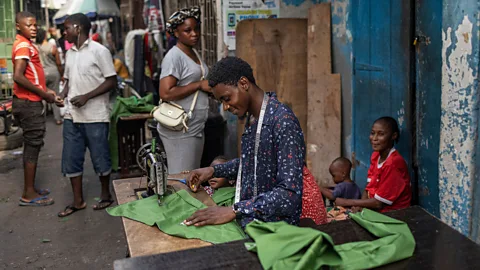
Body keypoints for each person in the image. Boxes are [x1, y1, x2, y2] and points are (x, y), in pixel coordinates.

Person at [185, 57, 306, 228]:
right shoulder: (253, 119)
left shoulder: (282, 122)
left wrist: (235, 210)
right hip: (252, 219)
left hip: (276, 229)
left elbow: (289, 195)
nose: (225, 107)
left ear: (243, 83)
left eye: (226, 98)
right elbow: (254, 163)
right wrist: (214, 170)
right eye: (221, 101)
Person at [57, 13, 117, 217]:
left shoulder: (100, 51)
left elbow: (111, 81)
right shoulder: (70, 53)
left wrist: (87, 97)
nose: (64, 32)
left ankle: (106, 195)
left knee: (100, 157)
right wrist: (62, 95)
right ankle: (77, 201)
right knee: (71, 158)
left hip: (95, 115)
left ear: (78, 27)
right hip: (71, 115)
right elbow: (67, 80)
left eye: (66, 28)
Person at [12, 11, 60, 206]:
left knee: (33, 145)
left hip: (29, 100)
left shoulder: (27, 44)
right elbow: (18, 76)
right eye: (28, 25)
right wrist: (44, 95)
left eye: (34, 25)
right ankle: (28, 193)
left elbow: (33, 78)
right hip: (28, 103)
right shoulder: (23, 45)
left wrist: (48, 92)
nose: (32, 28)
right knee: (32, 145)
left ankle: (30, 188)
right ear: (18, 27)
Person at [158, 7, 212, 174]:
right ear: (176, 33)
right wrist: (198, 85)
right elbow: (165, 92)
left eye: (196, 29)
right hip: (180, 129)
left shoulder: (193, 52)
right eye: (187, 30)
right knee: (181, 176)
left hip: (194, 126)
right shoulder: (174, 57)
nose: (194, 33)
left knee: (191, 174)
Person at [335, 117, 412, 212]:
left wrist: (347, 202)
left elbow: (378, 203)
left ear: (393, 136)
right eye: (372, 133)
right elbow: (369, 187)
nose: (374, 138)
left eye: (381, 134)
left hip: (393, 214)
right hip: (375, 210)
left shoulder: (393, 163)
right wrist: (360, 206)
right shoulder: (376, 156)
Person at [35, 28, 64, 125]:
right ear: (44, 36)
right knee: (55, 94)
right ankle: (58, 118)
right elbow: (59, 63)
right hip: (53, 72)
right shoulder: (52, 47)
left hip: (41, 73)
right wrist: (62, 75)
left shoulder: (35, 48)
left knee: (41, 94)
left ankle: (41, 118)